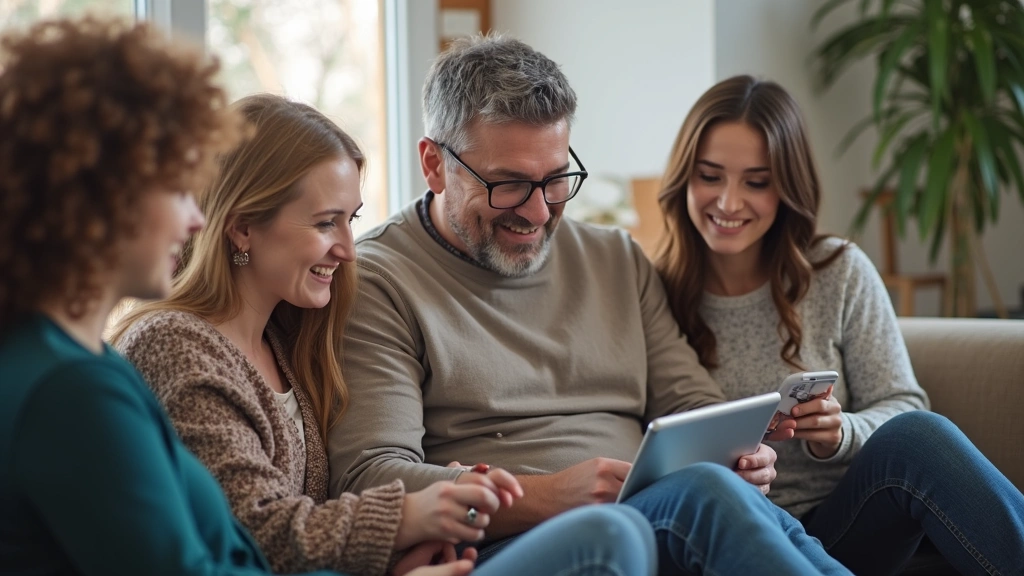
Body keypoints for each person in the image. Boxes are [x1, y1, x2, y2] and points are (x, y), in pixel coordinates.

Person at [328, 33, 854, 575]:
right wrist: (549, 494)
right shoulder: (379, 280)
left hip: (661, 517)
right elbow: (373, 478)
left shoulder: (615, 257)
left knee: (735, 497)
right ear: (434, 164)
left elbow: (690, 402)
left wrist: (738, 451)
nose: (536, 213)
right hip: (510, 547)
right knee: (701, 494)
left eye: (556, 180)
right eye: (508, 185)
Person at [112, 93, 656, 576]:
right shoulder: (176, 344)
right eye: (326, 223)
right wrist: (412, 515)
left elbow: (312, 523)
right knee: (609, 537)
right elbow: (257, 531)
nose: (349, 248)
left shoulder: (289, 341)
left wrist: (407, 546)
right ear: (243, 225)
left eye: (352, 219)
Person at [0, 16, 341, 576]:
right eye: (180, 188)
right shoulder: (69, 389)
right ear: (108, 193)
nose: (196, 218)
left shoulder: (80, 358)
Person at [655, 74, 1024, 575]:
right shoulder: (654, 292)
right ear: (684, 177)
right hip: (726, 532)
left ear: (787, 187)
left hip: (841, 523)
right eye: (710, 176)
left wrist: (840, 432)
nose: (729, 202)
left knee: (918, 434)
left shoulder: (837, 270)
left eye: (757, 182)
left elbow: (904, 400)